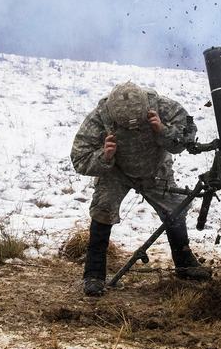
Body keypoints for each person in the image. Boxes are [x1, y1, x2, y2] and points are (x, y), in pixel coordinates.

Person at [71, 81, 212, 297]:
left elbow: (185, 140)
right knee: (102, 210)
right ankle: (94, 274)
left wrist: (163, 131)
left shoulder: (165, 107)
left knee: (174, 212)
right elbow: (79, 158)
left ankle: (185, 264)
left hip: (155, 169)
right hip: (116, 172)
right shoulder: (99, 117)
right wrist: (104, 156)